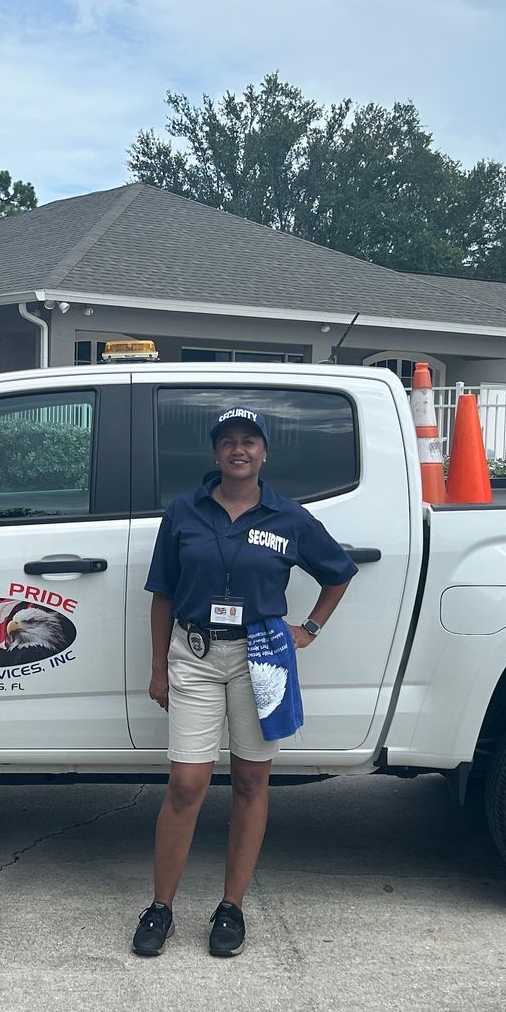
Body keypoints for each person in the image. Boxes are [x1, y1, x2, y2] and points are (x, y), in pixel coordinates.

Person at [132, 405, 356, 957]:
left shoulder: (289, 518)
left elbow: (338, 572)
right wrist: (159, 666)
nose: (239, 450)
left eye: (249, 441)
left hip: (262, 657)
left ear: (264, 453)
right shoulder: (185, 512)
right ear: (215, 454)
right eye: (228, 441)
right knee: (187, 783)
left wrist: (310, 629)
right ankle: (161, 906)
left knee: (252, 783)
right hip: (196, 653)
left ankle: (231, 907)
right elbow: (162, 593)